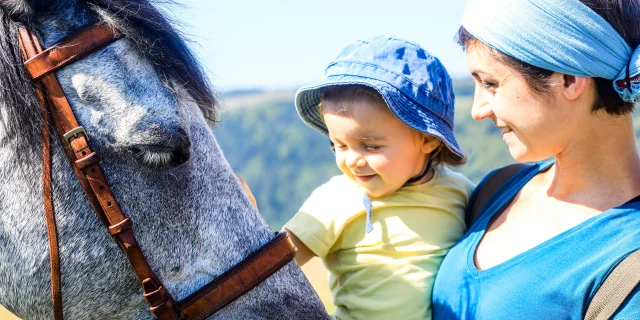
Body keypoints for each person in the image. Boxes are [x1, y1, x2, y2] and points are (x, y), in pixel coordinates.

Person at [431, 0, 640, 319]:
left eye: (490, 83)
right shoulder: (498, 188)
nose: (477, 110)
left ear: (568, 79)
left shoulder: (628, 258)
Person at [283, 36, 475, 320]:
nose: (351, 160)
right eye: (339, 145)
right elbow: (270, 267)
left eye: (370, 146)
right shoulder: (335, 199)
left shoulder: (460, 193)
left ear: (428, 140)